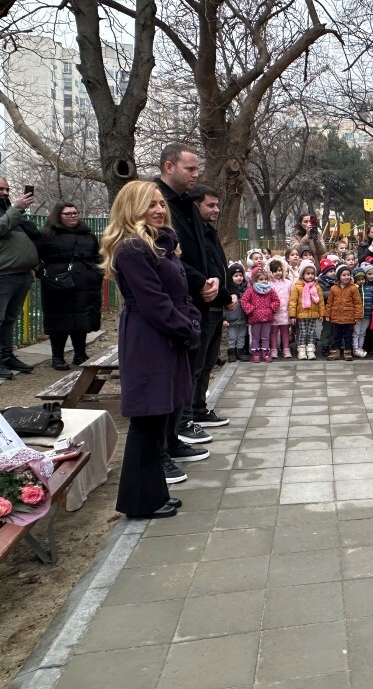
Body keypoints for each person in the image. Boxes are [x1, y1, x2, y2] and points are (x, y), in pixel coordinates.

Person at [100, 180, 200, 518]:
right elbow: (155, 303)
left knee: (159, 418)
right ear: (132, 209)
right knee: (148, 420)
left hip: (164, 335)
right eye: (150, 204)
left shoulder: (157, 245)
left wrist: (190, 321)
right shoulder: (132, 248)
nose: (159, 209)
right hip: (149, 338)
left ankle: (153, 494)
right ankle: (139, 501)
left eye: (161, 203)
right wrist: (187, 328)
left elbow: (177, 294)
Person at [155, 143, 216, 470]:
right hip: (175, 300)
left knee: (185, 373)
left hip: (195, 298)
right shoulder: (158, 201)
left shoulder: (186, 203)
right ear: (169, 166)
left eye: (197, 169)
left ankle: (173, 438)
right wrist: (199, 281)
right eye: (190, 169)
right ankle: (162, 447)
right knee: (172, 376)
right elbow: (165, 255)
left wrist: (212, 280)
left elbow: (197, 250)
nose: (196, 174)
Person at [184, 185, 232, 428]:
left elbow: (221, 268)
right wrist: (225, 296)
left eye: (217, 204)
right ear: (195, 205)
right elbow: (207, 272)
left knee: (208, 363)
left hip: (217, 308)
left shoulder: (209, 232)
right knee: (197, 365)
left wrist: (229, 295)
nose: (216, 209)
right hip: (203, 308)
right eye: (210, 205)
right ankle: (189, 414)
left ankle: (199, 408)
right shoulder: (194, 236)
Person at [34, 202, 102, 370]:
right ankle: (57, 357)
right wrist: (43, 273)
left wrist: (97, 272)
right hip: (58, 285)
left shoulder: (88, 235)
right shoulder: (47, 235)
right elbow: (34, 257)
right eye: (68, 214)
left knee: (82, 320)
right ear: (59, 216)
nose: (73, 216)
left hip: (85, 284)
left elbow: (97, 256)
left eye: (75, 213)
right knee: (59, 321)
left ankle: (80, 354)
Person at [0, 177, 39, 379]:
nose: (5, 192)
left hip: (21, 275)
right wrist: (16, 208)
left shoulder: (9, 211)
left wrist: (33, 266)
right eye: (1, 189)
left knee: (8, 320)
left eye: (7, 188)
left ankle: (6, 356)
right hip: (3, 275)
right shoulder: (11, 212)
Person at [241, 268, 279, 362]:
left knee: (266, 336)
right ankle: (256, 353)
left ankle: (266, 353)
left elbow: (276, 301)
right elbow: (244, 301)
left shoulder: (270, 290)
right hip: (255, 317)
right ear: (255, 280)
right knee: (255, 337)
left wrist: (270, 309)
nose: (264, 281)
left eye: (265, 279)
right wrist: (252, 310)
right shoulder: (250, 291)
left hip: (267, 317)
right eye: (261, 279)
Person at [290, 260, 325, 360]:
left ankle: (310, 350)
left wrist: (321, 314)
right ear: (302, 274)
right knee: (303, 333)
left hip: (313, 314)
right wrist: (292, 315)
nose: (310, 276)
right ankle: (301, 350)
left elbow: (321, 301)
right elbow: (293, 301)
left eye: (312, 274)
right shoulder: (298, 286)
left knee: (311, 332)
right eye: (308, 274)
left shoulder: (316, 286)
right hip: (302, 314)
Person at [326, 265, 360, 361]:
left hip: (348, 317)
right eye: (344, 275)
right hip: (336, 317)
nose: (346, 277)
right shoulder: (334, 288)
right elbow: (330, 302)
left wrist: (357, 315)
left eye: (348, 275)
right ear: (339, 277)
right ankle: (335, 352)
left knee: (348, 336)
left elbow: (357, 303)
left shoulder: (353, 288)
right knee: (336, 336)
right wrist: (327, 314)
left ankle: (347, 352)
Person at [268, 259, 293, 358]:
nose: (277, 273)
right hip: (274, 312)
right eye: (274, 271)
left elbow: (292, 296)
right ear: (270, 272)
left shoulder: (288, 283)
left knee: (285, 331)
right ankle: (273, 349)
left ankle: (286, 349)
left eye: (279, 270)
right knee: (273, 331)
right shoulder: (269, 284)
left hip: (285, 311)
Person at [223, 263, 248, 362]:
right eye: (236, 276)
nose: (239, 278)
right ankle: (231, 353)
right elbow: (224, 306)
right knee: (232, 337)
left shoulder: (246, 289)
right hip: (231, 319)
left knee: (241, 336)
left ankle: (240, 351)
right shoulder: (227, 290)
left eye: (241, 275)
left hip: (243, 318)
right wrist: (224, 318)